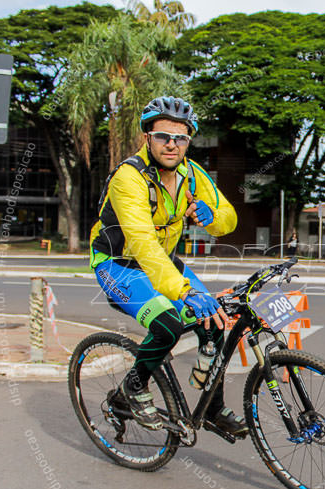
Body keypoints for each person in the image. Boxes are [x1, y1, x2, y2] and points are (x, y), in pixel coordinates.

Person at [89, 95, 247, 436]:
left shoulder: (191, 172)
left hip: (164, 261)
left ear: (189, 140)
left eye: (181, 138)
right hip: (120, 265)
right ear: (148, 137)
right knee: (168, 325)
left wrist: (212, 215)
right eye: (163, 136)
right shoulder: (129, 178)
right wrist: (184, 292)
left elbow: (229, 216)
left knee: (216, 320)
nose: (172, 145)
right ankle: (133, 386)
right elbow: (143, 244)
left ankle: (212, 409)